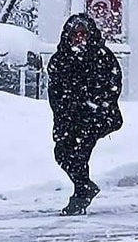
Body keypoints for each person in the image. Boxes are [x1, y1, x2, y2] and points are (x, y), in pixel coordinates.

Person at [47, 14, 123, 216]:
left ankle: (80, 197)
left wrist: (98, 105)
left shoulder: (101, 57)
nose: (79, 39)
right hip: (70, 118)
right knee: (62, 153)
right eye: (75, 35)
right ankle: (84, 187)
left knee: (80, 154)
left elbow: (114, 85)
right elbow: (55, 94)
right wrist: (63, 117)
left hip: (97, 117)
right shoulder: (60, 59)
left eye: (83, 34)